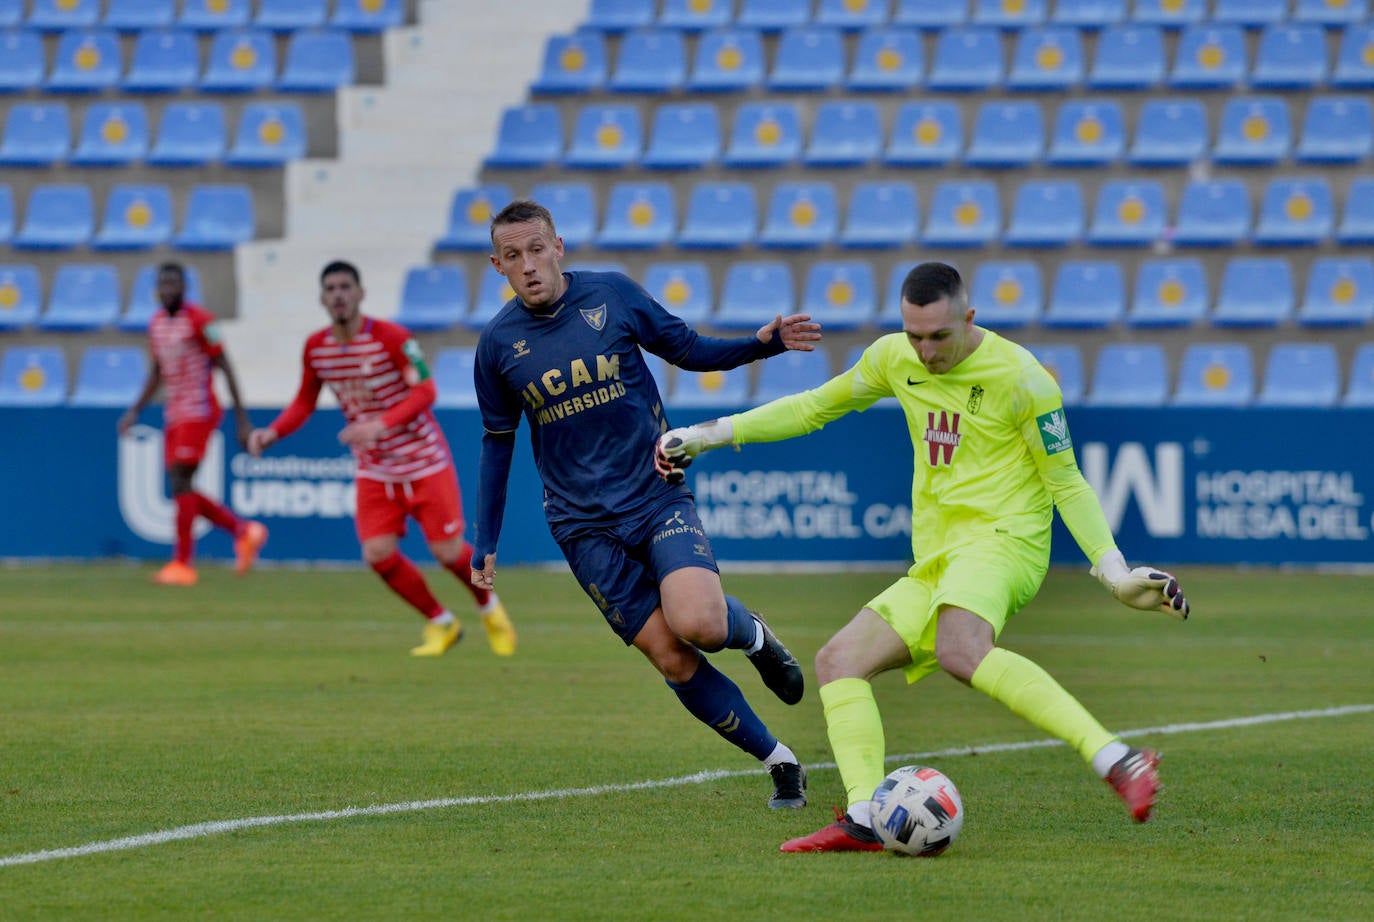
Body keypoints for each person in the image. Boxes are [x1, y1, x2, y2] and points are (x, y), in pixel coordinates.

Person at [655, 261, 1191, 850]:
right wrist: (709, 434)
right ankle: (864, 815)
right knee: (838, 661)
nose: (926, 350)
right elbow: (812, 407)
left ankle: (1120, 761)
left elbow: (1067, 482)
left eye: (939, 335)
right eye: (914, 335)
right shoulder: (894, 358)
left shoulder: (1025, 379)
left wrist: (1112, 573)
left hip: (1005, 544)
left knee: (962, 649)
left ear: (969, 317)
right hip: (935, 560)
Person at [471, 199, 821, 808]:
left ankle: (757, 638)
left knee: (701, 626)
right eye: (512, 256)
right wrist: (486, 542)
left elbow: (688, 348)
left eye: (535, 249)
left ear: (559, 247)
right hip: (582, 527)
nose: (527, 265)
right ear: (497, 265)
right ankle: (780, 761)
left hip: (655, 495)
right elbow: (497, 446)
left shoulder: (613, 295)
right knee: (672, 658)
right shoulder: (498, 346)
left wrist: (762, 344)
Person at [246, 260, 516, 658]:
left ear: (360, 294)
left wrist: (379, 424)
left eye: (345, 287)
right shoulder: (317, 348)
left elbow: (425, 391)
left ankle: (490, 610)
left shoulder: (393, 337)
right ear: (323, 298)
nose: (338, 294)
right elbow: (304, 400)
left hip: (423, 460)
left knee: (446, 552)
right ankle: (442, 622)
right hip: (375, 468)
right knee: (377, 554)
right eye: (331, 288)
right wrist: (274, 432)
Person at [119, 262, 268, 586]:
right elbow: (157, 372)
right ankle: (244, 531)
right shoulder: (157, 324)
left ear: (185, 287)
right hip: (174, 413)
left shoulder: (201, 320)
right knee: (180, 486)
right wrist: (135, 411)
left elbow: (226, 366)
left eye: (173, 282)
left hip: (199, 410)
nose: (168, 288)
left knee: (180, 480)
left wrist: (242, 420)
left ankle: (183, 564)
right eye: (163, 283)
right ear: (157, 289)